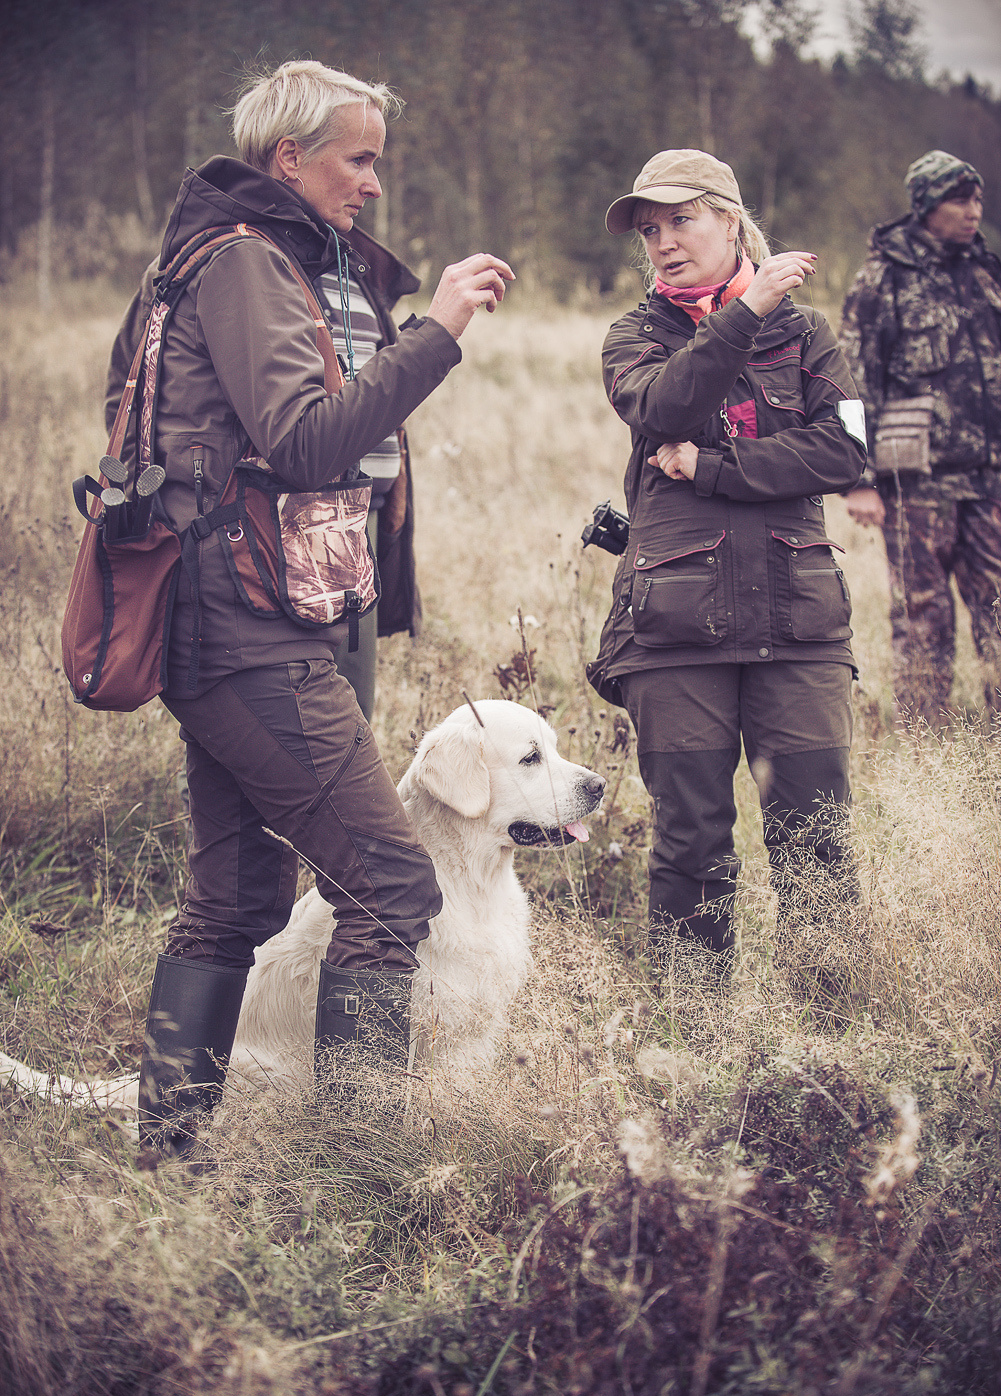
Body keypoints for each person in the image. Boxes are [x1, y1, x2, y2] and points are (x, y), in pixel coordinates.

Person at [104, 60, 514, 1154]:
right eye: (357, 157)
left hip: (222, 616)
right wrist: (435, 334)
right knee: (388, 884)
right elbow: (307, 439)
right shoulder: (244, 264)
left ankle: (166, 1156)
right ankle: (357, 1171)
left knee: (236, 900)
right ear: (288, 158)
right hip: (244, 626)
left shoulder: (202, 262)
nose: (373, 183)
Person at [587, 149, 867, 984]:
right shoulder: (635, 335)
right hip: (674, 629)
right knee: (691, 842)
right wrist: (743, 308)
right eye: (648, 229)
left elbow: (845, 449)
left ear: (729, 218)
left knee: (816, 835)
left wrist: (713, 470)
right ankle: (693, 1034)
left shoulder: (809, 333)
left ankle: (829, 1039)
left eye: (680, 219)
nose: (662, 242)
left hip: (799, 621)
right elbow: (668, 404)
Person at [840, 150, 1001, 725]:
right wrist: (860, 481)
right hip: (917, 485)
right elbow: (851, 382)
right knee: (924, 621)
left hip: (990, 480)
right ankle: (928, 759)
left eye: (978, 199)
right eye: (960, 199)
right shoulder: (883, 279)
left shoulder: (986, 272)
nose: (972, 211)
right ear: (927, 205)